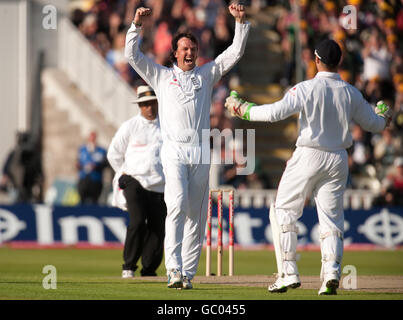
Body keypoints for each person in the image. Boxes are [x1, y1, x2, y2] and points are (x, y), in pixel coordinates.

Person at [224, 39, 391, 295]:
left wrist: (242, 109)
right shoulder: (350, 92)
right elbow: (376, 125)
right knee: (332, 219)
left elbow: (273, 114)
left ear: (315, 61)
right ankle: (331, 274)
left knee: (283, 211)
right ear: (339, 62)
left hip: (309, 154)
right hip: (338, 158)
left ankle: (288, 273)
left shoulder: (305, 88)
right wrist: (383, 113)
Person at [125, 4, 250, 289]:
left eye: (193, 48)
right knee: (178, 205)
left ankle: (188, 274)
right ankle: (173, 269)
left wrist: (240, 22)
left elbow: (235, 53)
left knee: (196, 215)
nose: (190, 53)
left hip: (200, 151)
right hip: (174, 151)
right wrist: (136, 25)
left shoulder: (206, 75)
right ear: (175, 52)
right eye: (184, 49)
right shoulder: (160, 75)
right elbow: (131, 55)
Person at [107, 85, 166, 278]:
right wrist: (122, 172)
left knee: (158, 228)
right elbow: (114, 154)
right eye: (145, 104)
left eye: (152, 103)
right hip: (135, 180)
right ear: (140, 106)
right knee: (138, 221)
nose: (149, 108)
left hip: (160, 184)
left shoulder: (167, 126)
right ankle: (129, 266)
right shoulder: (130, 126)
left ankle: (149, 269)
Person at [77, 131, 108, 204]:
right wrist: (79, 166)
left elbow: (105, 164)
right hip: (84, 179)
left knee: (95, 201)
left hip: (96, 180)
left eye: (94, 138)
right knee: (82, 200)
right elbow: (78, 162)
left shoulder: (101, 151)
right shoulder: (82, 149)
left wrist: (96, 166)